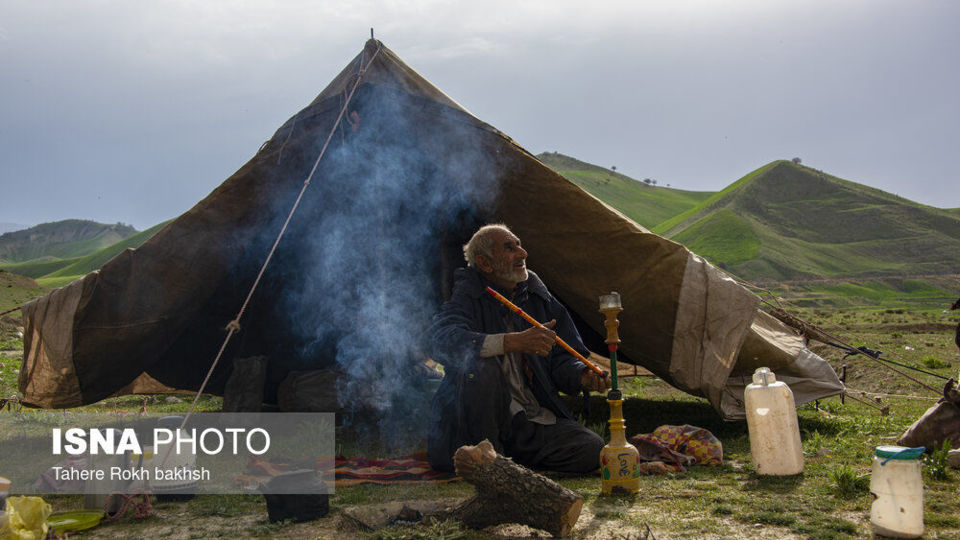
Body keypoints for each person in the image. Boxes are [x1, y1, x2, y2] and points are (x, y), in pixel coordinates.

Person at [425, 224, 609, 472]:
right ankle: (488, 460)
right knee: (482, 367)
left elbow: (562, 358)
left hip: (529, 420)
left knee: (592, 448)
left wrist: (581, 374)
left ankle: (508, 464)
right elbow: (439, 339)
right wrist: (512, 341)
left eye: (519, 245)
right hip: (480, 424)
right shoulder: (469, 294)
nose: (522, 253)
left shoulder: (535, 294)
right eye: (509, 248)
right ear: (486, 263)